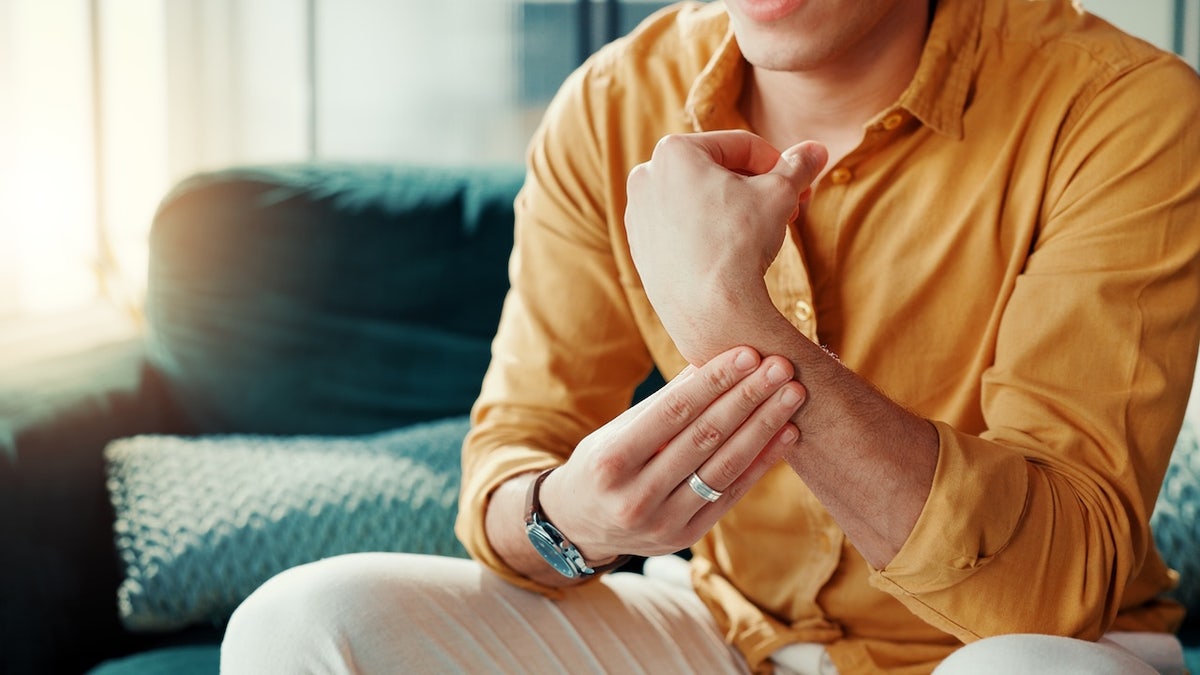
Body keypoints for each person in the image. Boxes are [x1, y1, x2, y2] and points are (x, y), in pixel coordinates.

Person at [220, 0, 1200, 672]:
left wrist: (725, 311)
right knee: (306, 624)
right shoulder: (611, 106)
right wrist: (573, 522)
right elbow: (511, 458)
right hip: (727, 631)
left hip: (1020, 646)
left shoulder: (1124, 112)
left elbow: (1051, 593)